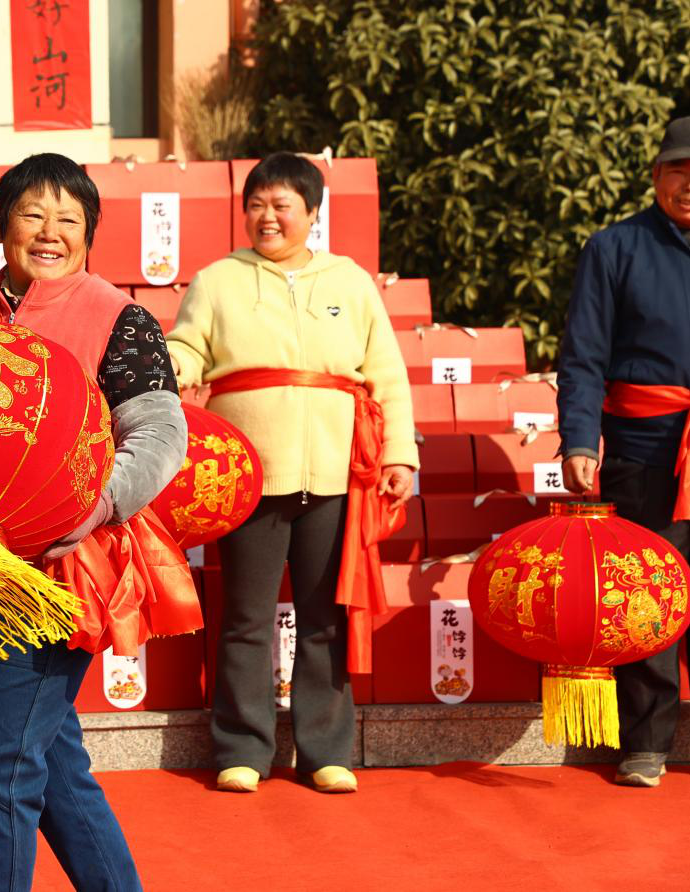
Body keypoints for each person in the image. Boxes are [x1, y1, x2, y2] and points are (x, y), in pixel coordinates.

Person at [0, 152, 195, 891]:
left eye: (68, 220)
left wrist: (88, 504)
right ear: (0, 223)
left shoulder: (118, 316)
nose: (49, 232)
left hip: (64, 564)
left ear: (89, 234)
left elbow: (162, 437)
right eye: (32, 214)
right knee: (55, 765)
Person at [166, 151, 417, 795]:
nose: (267, 216)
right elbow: (187, 346)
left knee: (324, 616)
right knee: (246, 617)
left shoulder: (351, 282)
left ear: (312, 213)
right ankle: (242, 749)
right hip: (248, 475)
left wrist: (398, 456)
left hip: (336, 473)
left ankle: (325, 750)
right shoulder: (217, 280)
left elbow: (385, 372)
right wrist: (172, 367)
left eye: (282, 205)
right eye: (256, 204)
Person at [557, 115, 690, 788]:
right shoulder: (615, 248)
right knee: (648, 599)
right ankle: (645, 742)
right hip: (645, 454)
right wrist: (581, 439)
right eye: (679, 170)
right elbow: (582, 356)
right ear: (655, 176)